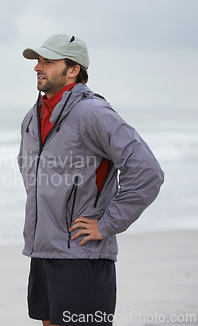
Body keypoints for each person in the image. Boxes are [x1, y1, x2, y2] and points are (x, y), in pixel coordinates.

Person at [17, 34, 164, 326]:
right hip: (45, 251)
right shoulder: (33, 118)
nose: (37, 67)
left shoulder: (92, 112)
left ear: (73, 70)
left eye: (48, 61)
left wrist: (107, 223)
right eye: (37, 61)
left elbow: (147, 171)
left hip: (83, 257)